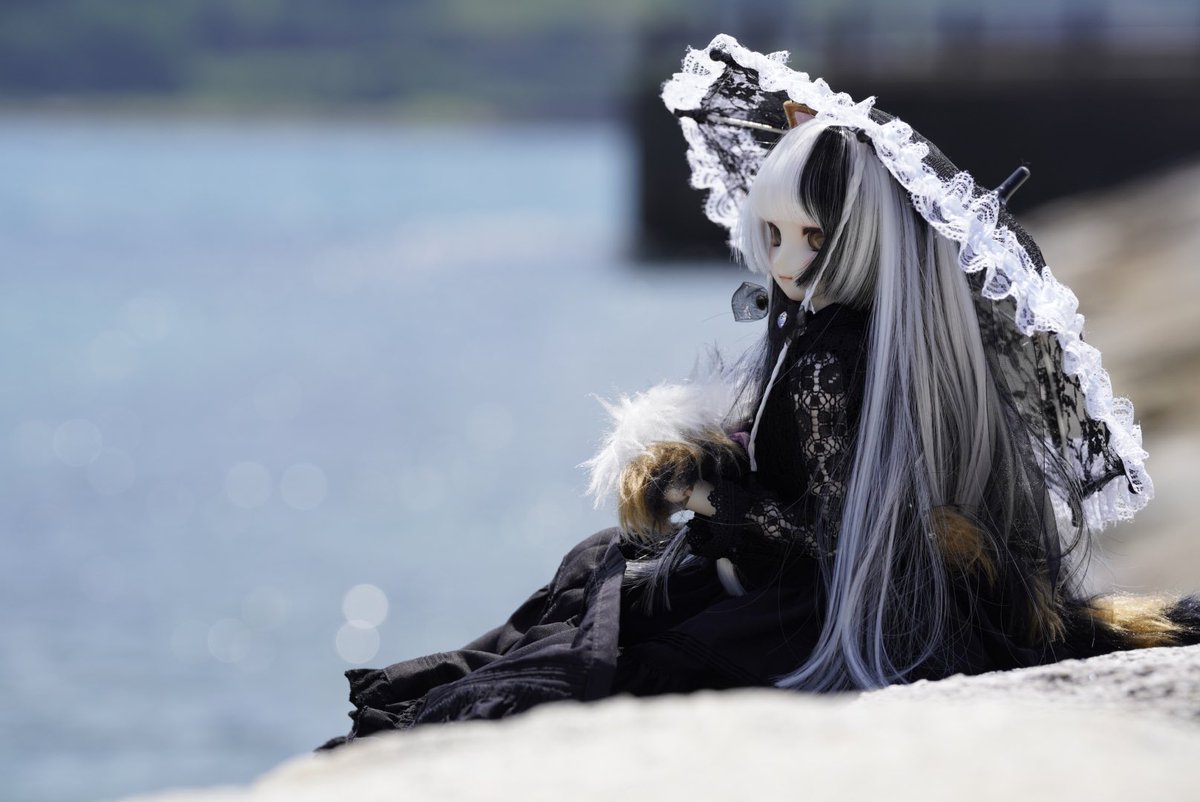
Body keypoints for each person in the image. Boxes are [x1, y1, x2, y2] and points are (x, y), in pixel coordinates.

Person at [318, 35, 1198, 749]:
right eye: (771, 234)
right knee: (603, 590)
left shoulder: (829, 359)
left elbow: (831, 532)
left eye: (811, 237)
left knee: (612, 629)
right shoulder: (854, 344)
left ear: (863, 240)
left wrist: (718, 499)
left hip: (804, 600)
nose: (783, 261)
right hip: (825, 583)